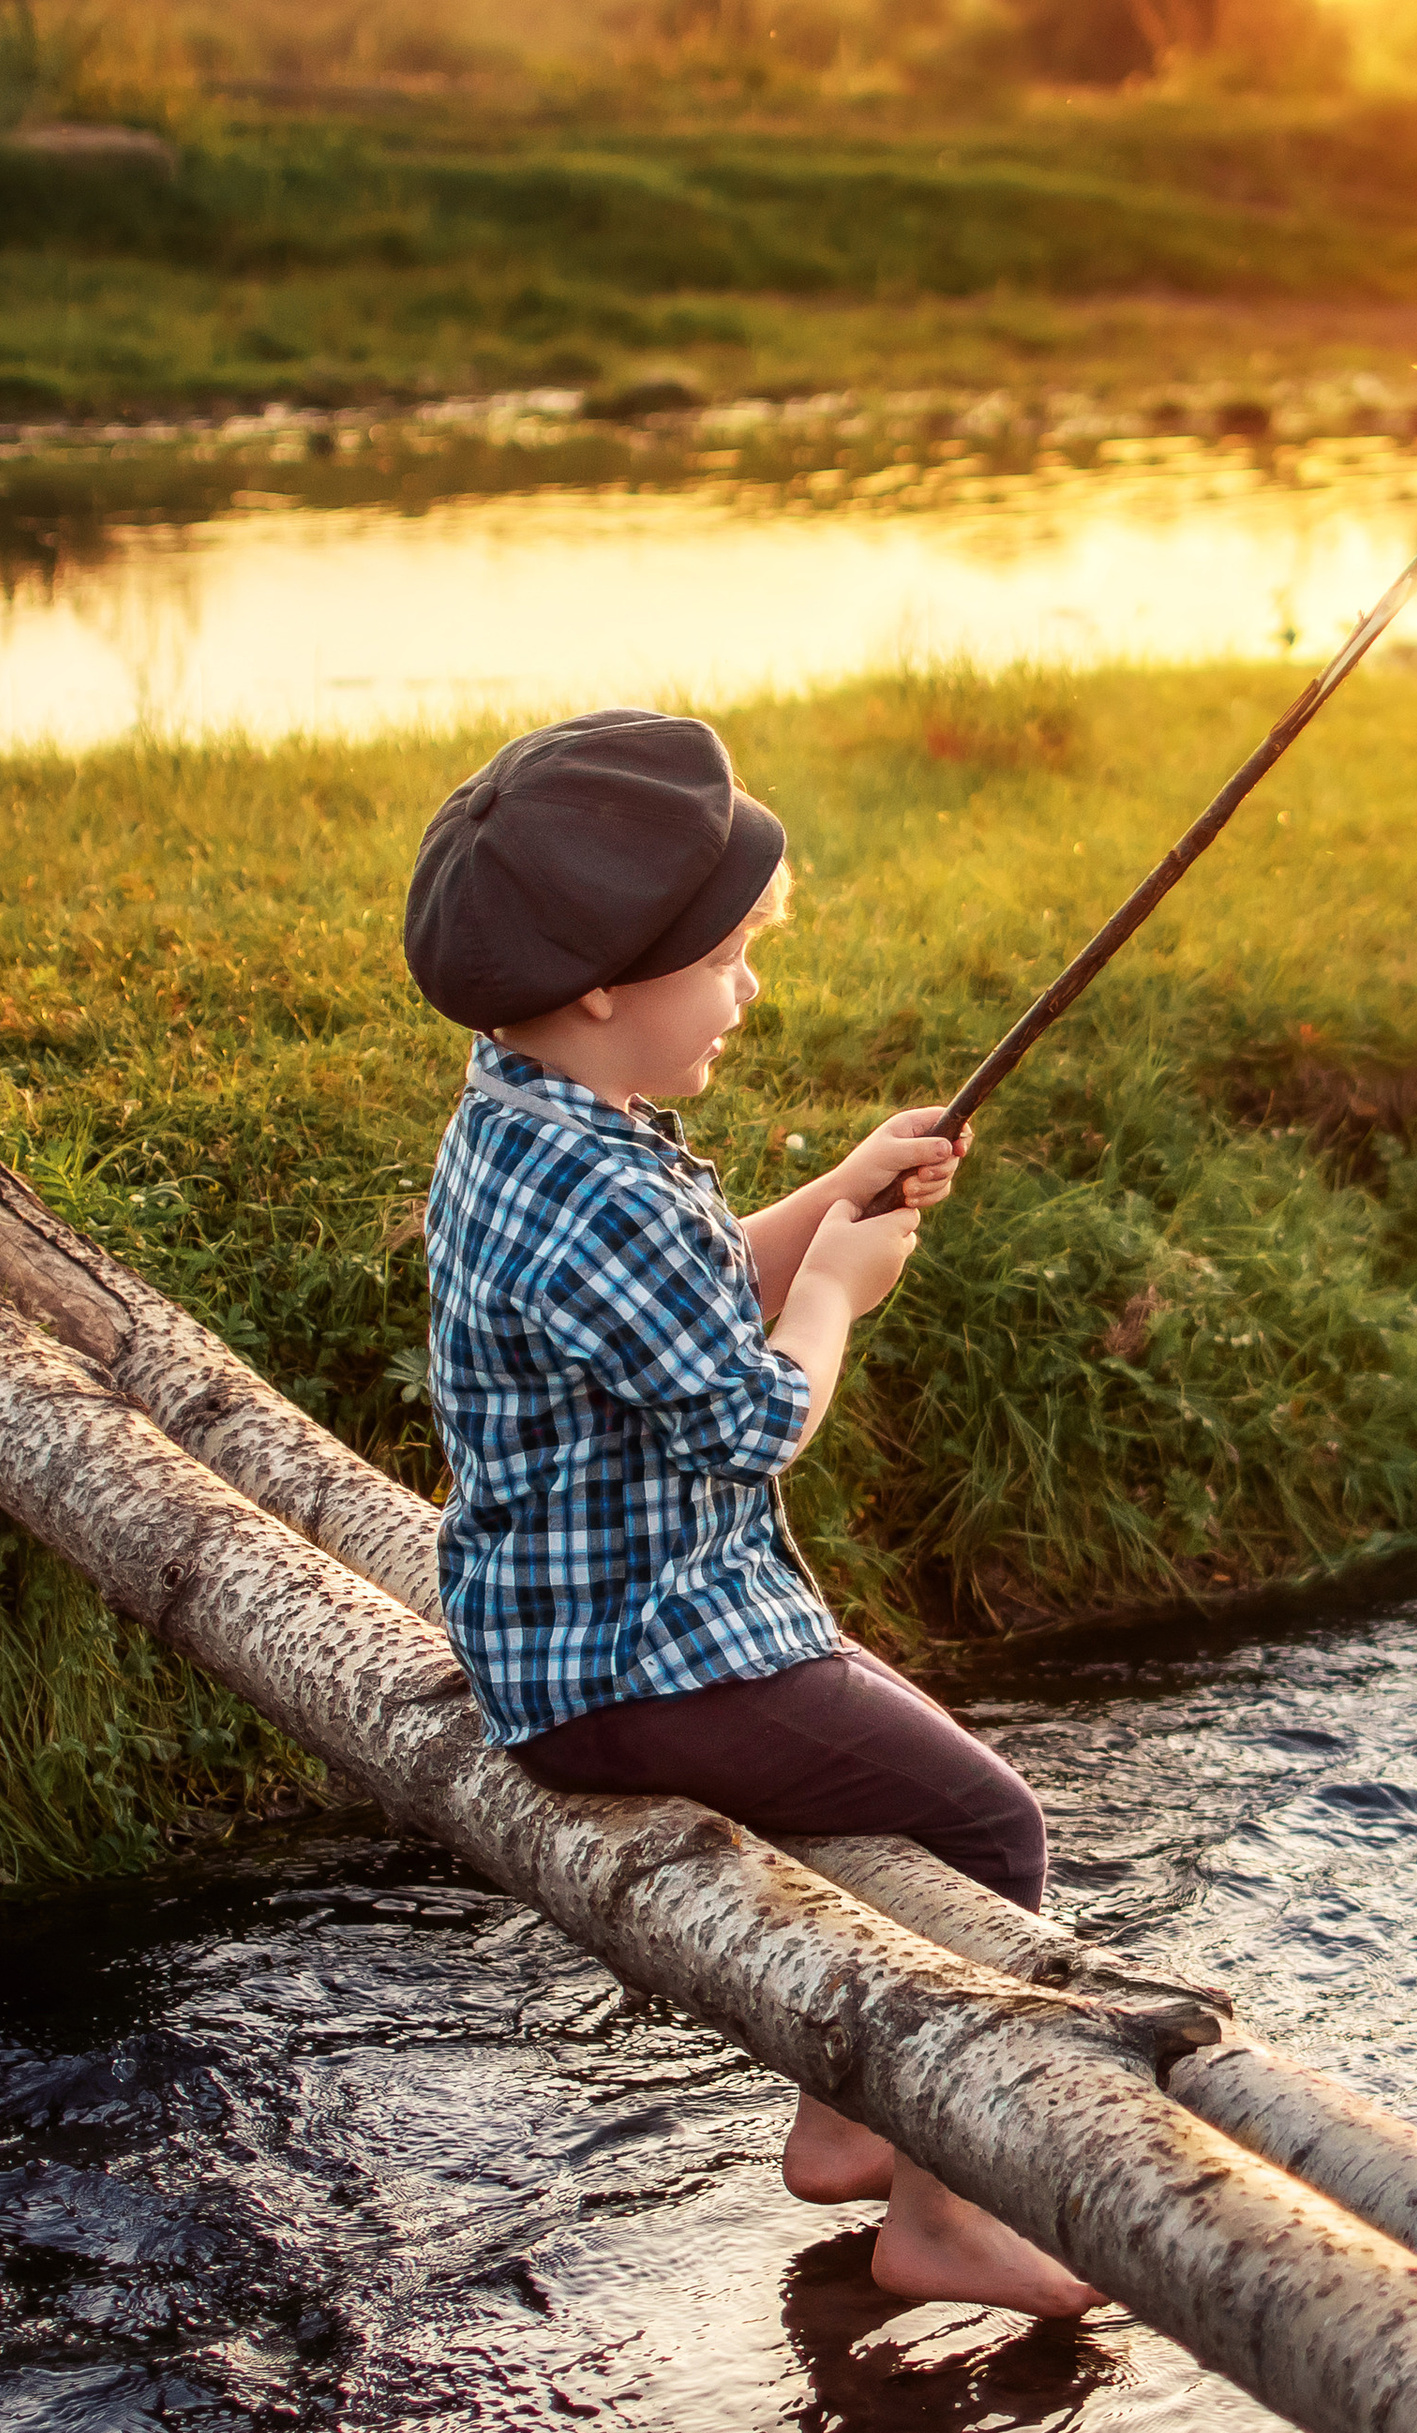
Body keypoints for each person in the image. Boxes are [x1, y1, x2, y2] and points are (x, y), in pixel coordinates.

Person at [404, 705, 1102, 2320]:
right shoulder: (612, 1192)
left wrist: (831, 1194)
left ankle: (844, 2114)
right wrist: (842, 1288)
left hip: (554, 1632)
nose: (748, 991)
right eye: (725, 961)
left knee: (906, 1781)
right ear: (602, 984)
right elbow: (744, 1415)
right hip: (646, 1666)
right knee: (993, 1824)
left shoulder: (527, 1124)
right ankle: (941, 2203)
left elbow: (680, 1297)